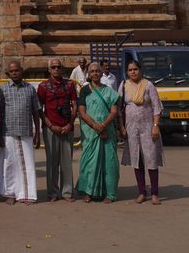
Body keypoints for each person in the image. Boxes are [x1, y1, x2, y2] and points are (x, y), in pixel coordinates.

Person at [119, 60, 165, 204]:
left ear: (140, 70)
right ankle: (141, 192)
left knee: (151, 159)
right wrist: (121, 127)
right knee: (136, 159)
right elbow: (119, 108)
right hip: (131, 127)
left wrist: (155, 125)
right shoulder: (123, 86)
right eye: (130, 70)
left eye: (135, 69)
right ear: (127, 72)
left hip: (148, 126)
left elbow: (157, 107)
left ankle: (155, 193)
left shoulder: (148, 85)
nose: (133, 72)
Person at [0, 60, 42, 204]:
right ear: (8, 73)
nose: (14, 73)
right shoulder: (3, 89)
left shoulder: (30, 89)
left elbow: (36, 111)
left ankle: (27, 194)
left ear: (22, 71)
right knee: (9, 164)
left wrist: (37, 133)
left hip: (26, 131)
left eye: (17, 70)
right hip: (8, 132)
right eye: (12, 71)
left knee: (27, 164)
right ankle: (10, 194)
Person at [76, 61, 120, 203]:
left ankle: (110, 194)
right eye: (92, 71)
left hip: (107, 130)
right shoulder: (84, 90)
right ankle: (88, 191)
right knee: (89, 161)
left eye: (97, 71)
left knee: (109, 162)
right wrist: (95, 126)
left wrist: (103, 125)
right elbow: (82, 112)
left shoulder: (109, 91)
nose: (95, 73)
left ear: (101, 73)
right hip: (90, 132)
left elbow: (114, 110)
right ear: (88, 74)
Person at [37, 57, 77, 202]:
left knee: (66, 162)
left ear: (62, 68)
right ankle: (53, 192)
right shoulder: (43, 87)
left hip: (67, 127)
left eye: (58, 67)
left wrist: (70, 124)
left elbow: (75, 105)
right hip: (51, 128)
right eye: (53, 67)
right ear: (49, 69)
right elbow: (40, 109)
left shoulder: (70, 85)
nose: (56, 69)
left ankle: (67, 192)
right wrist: (50, 125)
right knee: (52, 162)